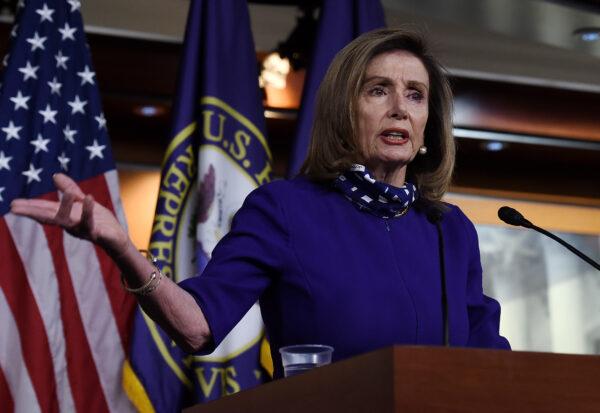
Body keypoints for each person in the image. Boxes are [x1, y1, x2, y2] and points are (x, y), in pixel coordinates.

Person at [11, 28, 510, 379]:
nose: (400, 107)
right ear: (343, 110)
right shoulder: (285, 209)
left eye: (416, 95)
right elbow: (197, 325)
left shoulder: (450, 229)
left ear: (427, 125)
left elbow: (489, 363)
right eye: (378, 91)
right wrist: (121, 245)